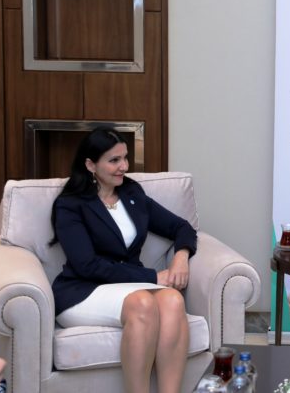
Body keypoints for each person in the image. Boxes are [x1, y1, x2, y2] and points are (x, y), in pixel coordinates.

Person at [50, 127, 197, 393]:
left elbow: (182, 227)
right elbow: (87, 265)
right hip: (82, 289)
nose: (124, 167)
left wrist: (181, 257)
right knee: (143, 303)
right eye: (114, 160)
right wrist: (153, 277)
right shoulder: (70, 205)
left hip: (128, 285)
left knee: (173, 300)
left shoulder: (131, 193)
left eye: (125, 158)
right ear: (90, 165)